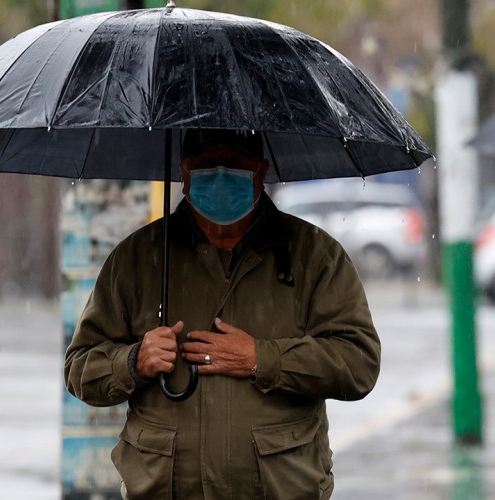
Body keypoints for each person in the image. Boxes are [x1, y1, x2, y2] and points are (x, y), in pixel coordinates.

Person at [64, 129, 381, 499]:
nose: (218, 175)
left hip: (282, 488)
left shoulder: (315, 256)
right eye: (203, 165)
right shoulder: (137, 258)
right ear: (183, 174)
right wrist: (133, 361)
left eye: (232, 164)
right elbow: (80, 368)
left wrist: (263, 359)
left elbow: (358, 363)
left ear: (260, 171)